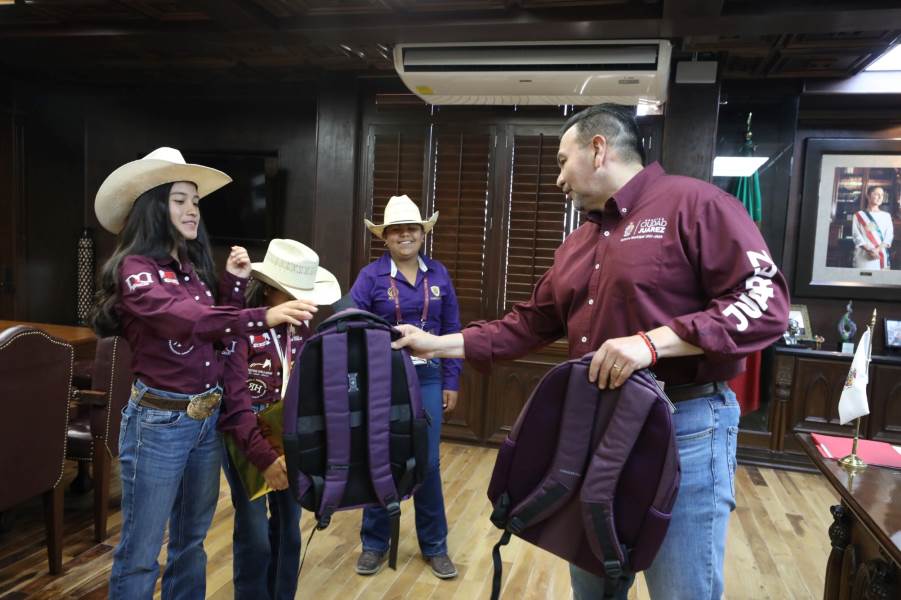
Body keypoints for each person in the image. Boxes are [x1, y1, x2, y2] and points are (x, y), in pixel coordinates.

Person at [389, 105, 790, 600]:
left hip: (685, 426)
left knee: (682, 589)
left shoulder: (696, 204)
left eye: (562, 161)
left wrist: (651, 343)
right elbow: (527, 324)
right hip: (597, 430)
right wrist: (434, 344)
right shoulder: (578, 243)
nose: (558, 178)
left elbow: (765, 302)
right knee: (593, 584)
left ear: (598, 149)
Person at [91, 147, 316, 599]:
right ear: (153, 208)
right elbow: (186, 321)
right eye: (179, 200)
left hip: (205, 421)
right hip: (159, 424)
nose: (192, 209)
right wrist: (260, 316)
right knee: (141, 552)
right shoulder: (137, 271)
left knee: (191, 542)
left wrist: (232, 285)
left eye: (195, 200)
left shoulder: (191, 272)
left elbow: (216, 337)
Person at [218, 238, 341, 600]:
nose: (304, 302)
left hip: (290, 434)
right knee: (254, 532)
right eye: (293, 293)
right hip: (245, 436)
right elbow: (236, 406)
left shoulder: (303, 330)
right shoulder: (241, 329)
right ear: (269, 290)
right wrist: (266, 459)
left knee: (289, 529)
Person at [351, 194, 462, 579]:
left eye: (412, 228)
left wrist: (451, 380)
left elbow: (452, 330)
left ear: (423, 233)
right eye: (396, 230)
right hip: (384, 378)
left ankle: (435, 546)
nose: (405, 235)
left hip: (429, 376)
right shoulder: (370, 277)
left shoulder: (439, 274)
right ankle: (374, 543)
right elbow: (351, 326)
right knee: (382, 458)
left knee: (427, 462)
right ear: (385, 237)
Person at [852, 185, 894, 269]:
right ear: (868, 195)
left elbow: (889, 236)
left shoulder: (886, 216)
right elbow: (856, 236)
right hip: (863, 256)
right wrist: (869, 250)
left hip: (880, 254)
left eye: (882, 195)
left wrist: (877, 250)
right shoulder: (858, 215)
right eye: (877, 194)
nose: (880, 197)